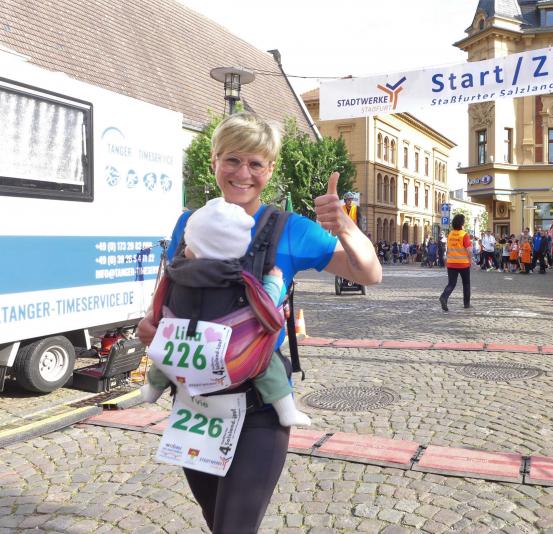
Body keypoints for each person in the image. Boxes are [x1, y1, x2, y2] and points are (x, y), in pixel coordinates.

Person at [135, 112, 381, 533]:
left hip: (259, 405)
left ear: (270, 169)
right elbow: (172, 288)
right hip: (194, 404)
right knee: (217, 520)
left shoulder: (290, 229)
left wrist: (345, 227)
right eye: (232, 160)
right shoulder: (189, 223)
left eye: (255, 163)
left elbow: (368, 273)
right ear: (214, 161)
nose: (243, 173)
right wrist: (151, 324)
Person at [140, 197, 311, 427]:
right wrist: (275, 282)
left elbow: (160, 304)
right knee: (267, 363)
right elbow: (266, 305)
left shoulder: (176, 274)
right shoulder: (238, 279)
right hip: (231, 359)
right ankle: (286, 410)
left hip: (186, 353)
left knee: (167, 352)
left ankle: (152, 389)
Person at [439, 213, 472, 312]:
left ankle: (444, 297)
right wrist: (470, 260)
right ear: (462, 223)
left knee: (451, 283)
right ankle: (466, 303)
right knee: (466, 283)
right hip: (463, 263)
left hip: (451, 263)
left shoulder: (450, 234)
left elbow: (448, 248)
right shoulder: (464, 235)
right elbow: (469, 250)